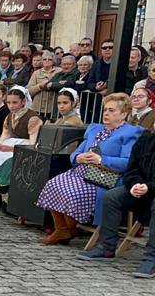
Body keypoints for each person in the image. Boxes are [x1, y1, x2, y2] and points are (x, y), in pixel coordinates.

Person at [36, 93, 143, 245]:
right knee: (53, 184)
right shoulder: (95, 129)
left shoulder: (129, 133)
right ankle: (62, 229)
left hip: (106, 177)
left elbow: (128, 162)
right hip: (81, 172)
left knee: (73, 192)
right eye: (106, 110)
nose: (106, 113)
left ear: (124, 114)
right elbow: (77, 153)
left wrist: (102, 160)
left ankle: (71, 228)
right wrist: (78, 158)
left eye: (112, 111)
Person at [76, 130, 155, 277]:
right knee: (112, 197)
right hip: (140, 188)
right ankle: (107, 247)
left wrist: (149, 187)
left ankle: (152, 258)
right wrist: (135, 184)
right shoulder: (145, 139)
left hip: (151, 189)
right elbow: (132, 168)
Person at [27, 51, 57, 116]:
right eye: (44, 59)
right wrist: (39, 86)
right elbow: (29, 91)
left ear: (53, 61)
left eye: (50, 59)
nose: (47, 61)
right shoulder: (36, 73)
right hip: (38, 107)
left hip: (53, 107)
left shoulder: (59, 71)